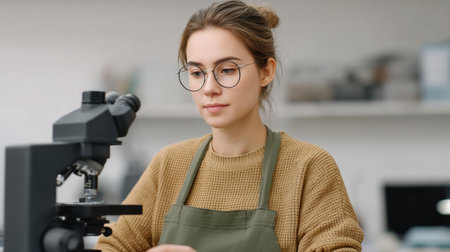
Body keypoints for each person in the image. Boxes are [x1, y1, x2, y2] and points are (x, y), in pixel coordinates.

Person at [96, 1, 364, 251]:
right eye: (197, 73)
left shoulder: (308, 167)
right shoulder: (169, 165)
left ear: (266, 72)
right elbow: (111, 245)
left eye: (227, 70)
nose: (209, 88)